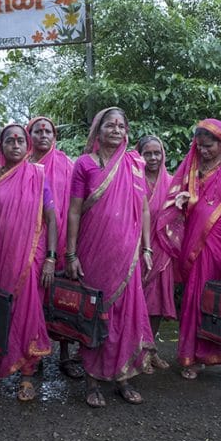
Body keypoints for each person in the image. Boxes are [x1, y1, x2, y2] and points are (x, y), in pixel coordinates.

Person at [65, 107, 155, 407]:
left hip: (126, 255)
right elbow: (74, 210)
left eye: (121, 126)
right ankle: (91, 381)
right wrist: (71, 253)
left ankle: (123, 377)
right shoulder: (85, 164)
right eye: (109, 125)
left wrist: (146, 248)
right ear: (98, 130)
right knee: (95, 316)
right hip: (93, 253)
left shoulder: (134, 164)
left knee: (125, 316)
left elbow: (143, 208)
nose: (116, 130)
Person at [157, 120, 221, 382]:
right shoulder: (193, 165)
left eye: (208, 146)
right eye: (199, 146)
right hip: (195, 238)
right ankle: (194, 357)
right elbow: (182, 196)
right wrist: (182, 201)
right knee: (196, 298)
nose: (203, 151)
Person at [0, 125, 55, 402]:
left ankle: (27, 374)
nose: (16, 145)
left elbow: (51, 218)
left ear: (28, 145)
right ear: (0, 145)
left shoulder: (38, 175)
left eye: (21, 140)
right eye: (10, 141)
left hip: (30, 258)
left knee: (27, 314)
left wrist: (51, 259)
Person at [27, 116, 81, 379]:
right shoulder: (22, 165)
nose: (43, 135)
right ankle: (34, 353)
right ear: (30, 136)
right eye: (37, 131)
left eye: (48, 131)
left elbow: (74, 207)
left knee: (62, 299)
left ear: (54, 136)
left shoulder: (67, 165)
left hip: (59, 240)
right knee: (33, 299)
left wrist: (71, 247)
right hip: (29, 243)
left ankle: (64, 355)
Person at [136, 135, 175, 373]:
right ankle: (136, 351)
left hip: (162, 250)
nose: (152, 158)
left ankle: (151, 350)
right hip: (136, 248)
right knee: (136, 301)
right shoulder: (131, 180)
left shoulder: (171, 183)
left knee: (157, 302)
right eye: (147, 153)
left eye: (157, 153)